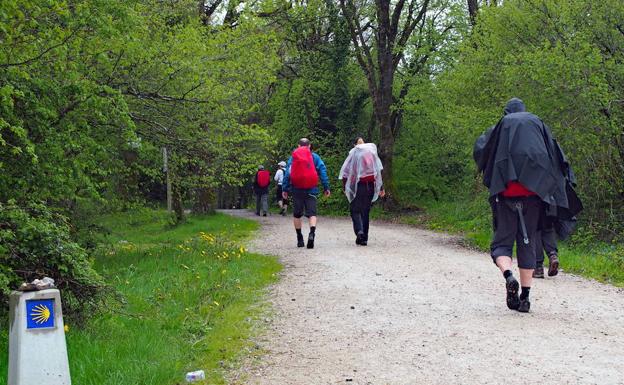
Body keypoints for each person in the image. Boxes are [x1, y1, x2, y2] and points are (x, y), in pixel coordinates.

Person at [473, 98, 579, 313]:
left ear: (507, 111)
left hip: (506, 192)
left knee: (501, 244)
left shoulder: (502, 125)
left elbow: (481, 149)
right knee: (527, 242)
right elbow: (556, 153)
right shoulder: (538, 123)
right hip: (534, 193)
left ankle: (508, 275)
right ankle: (526, 297)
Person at [282, 138, 330, 249]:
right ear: (309, 146)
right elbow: (322, 172)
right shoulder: (315, 157)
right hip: (311, 189)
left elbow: (288, 174)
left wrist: (285, 189)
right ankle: (312, 233)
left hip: (297, 189)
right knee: (312, 214)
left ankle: (299, 238)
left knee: (297, 214)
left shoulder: (293, 158)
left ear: (298, 146)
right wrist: (326, 187)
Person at [339, 137, 385, 246]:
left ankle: (359, 231)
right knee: (366, 212)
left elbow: (345, 172)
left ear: (355, 145)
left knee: (355, 210)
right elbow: (377, 172)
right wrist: (381, 188)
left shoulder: (354, 154)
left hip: (358, 187)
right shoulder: (371, 153)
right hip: (370, 186)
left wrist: (345, 187)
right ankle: (365, 239)